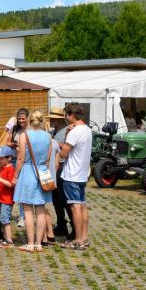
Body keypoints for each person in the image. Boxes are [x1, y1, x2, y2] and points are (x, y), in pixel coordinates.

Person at [12, 109, 54, 252]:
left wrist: (15, 176)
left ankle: (30, 243)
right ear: (42, 121)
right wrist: (44, 173)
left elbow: (21, 158)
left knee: (28, 210)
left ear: (30, 120)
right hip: (42, 172)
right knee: (41, 209)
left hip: (28, 172)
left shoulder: (25, 135)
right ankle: (38, 243)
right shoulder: (48, 137)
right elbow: (48, 159)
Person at [57, 102, 92, 250]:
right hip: (82, 173)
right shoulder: (87, 129)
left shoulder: (74, 132)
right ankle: (83, 237)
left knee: (75, 207)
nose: (65, 118)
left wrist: (66, 135)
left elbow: (64, 153)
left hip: (72, 174)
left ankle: (78, 240)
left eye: (66, 115)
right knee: (82, 206)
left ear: (72, 115)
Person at [48, 107, 74, 240]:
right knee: (56, 199)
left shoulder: (66, 131)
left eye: (52, 118)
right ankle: (61, 224)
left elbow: (67, 146)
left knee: (64, 199)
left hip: (62, 166)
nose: (51, 120)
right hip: (54, 167)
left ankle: (74, 227)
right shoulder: (54, 131)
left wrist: (53, 143)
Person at [0, 145, 16, 248]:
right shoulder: (2, 167)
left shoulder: (10, 169)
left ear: (9, 158)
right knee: (2, 219)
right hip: (1, 198)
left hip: (7, 199)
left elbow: (11, 184)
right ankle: (5, 238)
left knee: (5, 220)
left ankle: (9, 241)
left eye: (1, 158)